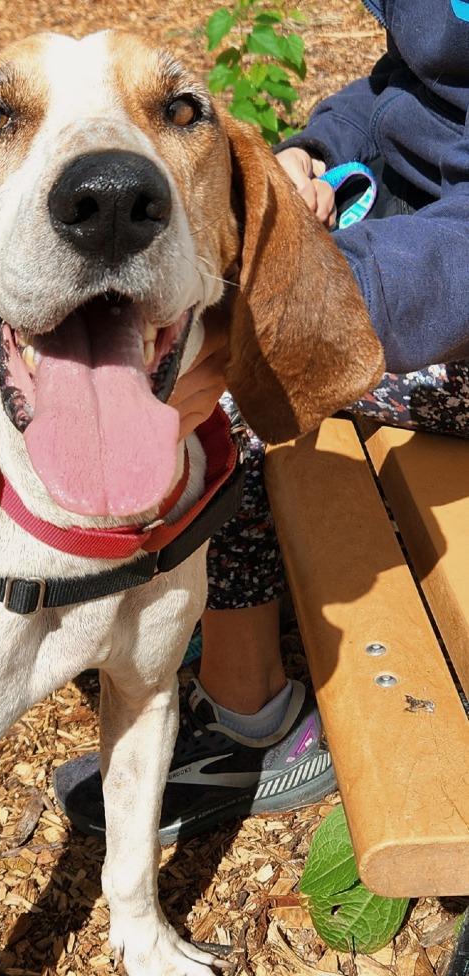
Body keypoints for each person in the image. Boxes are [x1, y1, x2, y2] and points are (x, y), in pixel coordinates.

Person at [55, 0, 469, 843]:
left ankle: (255, 723)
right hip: (406, 247)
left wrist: (303, 283)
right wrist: (310, 151)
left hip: (444, 298)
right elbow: (402, 86)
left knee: (234, 383)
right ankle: (204, 605)